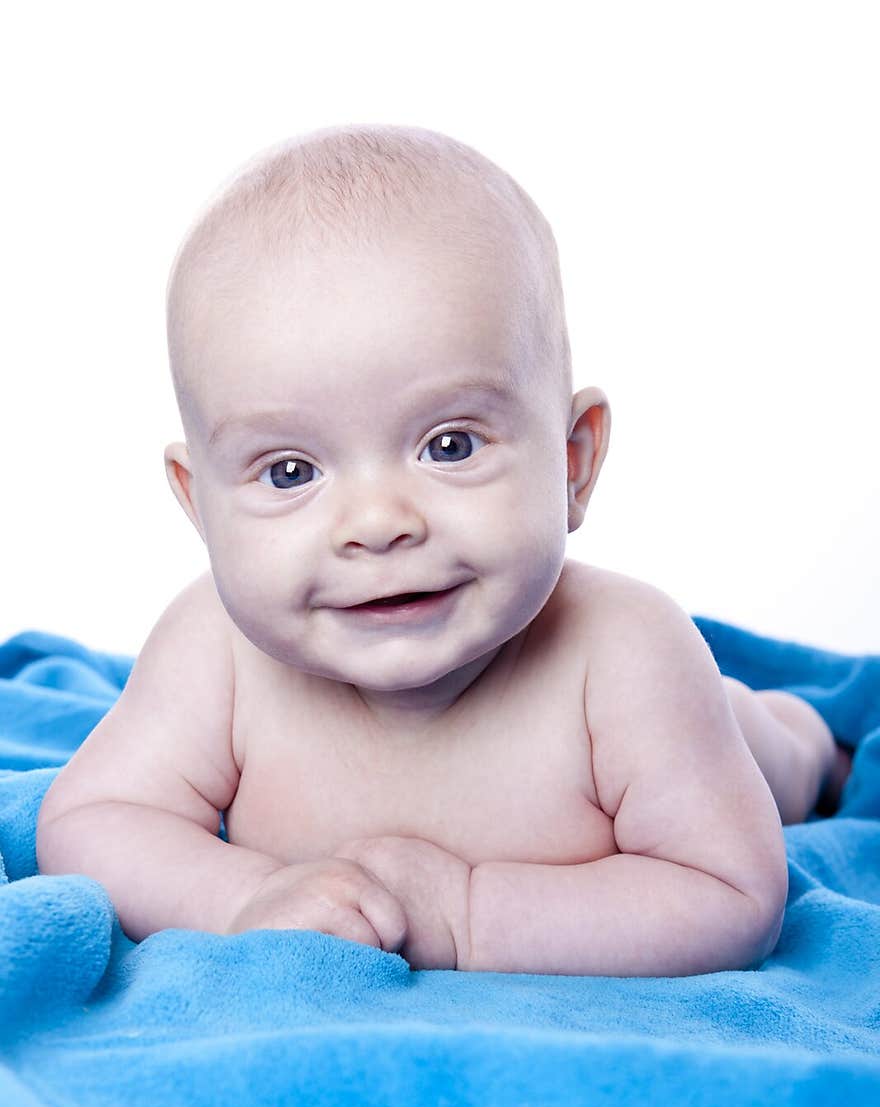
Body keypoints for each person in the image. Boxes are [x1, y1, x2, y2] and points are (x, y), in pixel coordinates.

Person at [35, 124, 852, 976]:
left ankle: (802, 737)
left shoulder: (624, 655)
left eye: (450, 445)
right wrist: (239, 898)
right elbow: (95, 818)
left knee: (768, 752)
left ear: (572, 462)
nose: (379, 522)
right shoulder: (216, 651)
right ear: (200, 504)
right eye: (289, 470)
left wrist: (468, 912)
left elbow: (728, 896)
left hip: (699, 731)